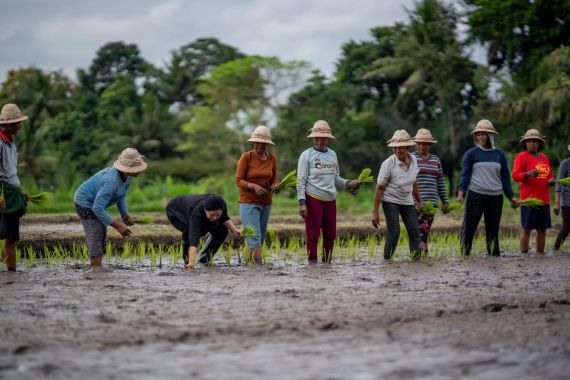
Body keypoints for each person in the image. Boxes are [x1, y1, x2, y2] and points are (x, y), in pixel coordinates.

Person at [297, 120, 359, 263]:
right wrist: (302, 202)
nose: (320, 140)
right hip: (313, 199)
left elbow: (335, 178)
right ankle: (312, 263)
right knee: (313, 235)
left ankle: (327, 263)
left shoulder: (332, 155)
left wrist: (348, 183)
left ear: (328, 139)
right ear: (313, 138)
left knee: (330, 235)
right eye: (317, 138)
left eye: (323, 138)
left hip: (330, 200)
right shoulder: (306, 155)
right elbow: (300, 181)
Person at [74, 148, 147, 268]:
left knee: (102, 232)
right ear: (127, 169)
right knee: (96, 233)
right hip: (85, 203)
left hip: (95, 204)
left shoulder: (127, 177)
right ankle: (96, 271)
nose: (140, 170)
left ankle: (97, 267)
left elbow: (121, 195)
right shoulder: (111, 182)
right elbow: (97, 208)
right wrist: (118, 226)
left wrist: (124, 214)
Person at [457, 119, 517, 257]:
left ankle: (494, 256)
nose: (480, 137)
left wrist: (511, 196)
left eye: (483, 134)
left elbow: (505, 178)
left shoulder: (500, 155)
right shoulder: (471, 154)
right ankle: (465, 255)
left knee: (493, 228)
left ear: (490, 135)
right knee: (469, 226)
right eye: (478, 134)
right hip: (475, 194)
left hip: (495, 196)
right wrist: (461, 192)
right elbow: (465, 174)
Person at [372, 130, 423, 260]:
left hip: (407, 200)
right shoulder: (388, 164)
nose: (397, 150)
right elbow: (379, 188)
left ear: (407, 147)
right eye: (395, 147)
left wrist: (419, 201)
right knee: (394, 232)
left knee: (414, 230)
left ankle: (416, 260)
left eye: (400, 147)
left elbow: (414, 182)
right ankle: (387, 260)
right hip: (390, 200)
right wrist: (375, 212)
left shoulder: (414, 160)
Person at [235, 126, 279, 264]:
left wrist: (276, 186)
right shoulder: (246, 157)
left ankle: (247, 263)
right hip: (249, 202)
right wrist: (253, 186)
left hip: (266, 202)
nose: (260, 145)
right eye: (257, 142)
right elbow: (239, 181)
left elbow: (274, 179)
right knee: (254, 236)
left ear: (267, 144)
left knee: (258, 238)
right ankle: (259, 266)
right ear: (253, 142)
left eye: (263, 143)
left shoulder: (272, 158)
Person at [166, 194, 242, 268]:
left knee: (222, 231)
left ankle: (204, 259)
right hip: (176, 211)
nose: (215, 217)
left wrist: (235, 230)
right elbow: (194, 240)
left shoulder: (221, 204)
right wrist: (192, 263)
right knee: (189, 232)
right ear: (205, 210)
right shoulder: (197, 214)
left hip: (191, 208)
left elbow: (224, 218)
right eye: (212, 214)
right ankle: (188, 262)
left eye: (218, 215)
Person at [512, 129, 555, 254]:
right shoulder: (521, 157)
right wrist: (527, 174)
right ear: (525, 143)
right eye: (529, 141)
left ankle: (540, 255)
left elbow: (550, 175)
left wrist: (551, 181)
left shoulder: (544, 158)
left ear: (539, 143)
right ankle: (524, 254)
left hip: (544, 199)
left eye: (535, 141)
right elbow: (515, 176)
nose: (532, 143)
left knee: (542, 229)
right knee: (527, 229)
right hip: (529, 200)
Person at [0, 104, 28, 271]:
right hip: (4, 194)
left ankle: (11, 272)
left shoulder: (10, 141)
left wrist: (18, 189)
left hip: (12, 192)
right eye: (17, 123)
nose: (19, 126)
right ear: (8, 124)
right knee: (8, 235)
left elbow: (10, 170)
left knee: (11, 236)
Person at [411, 129, 449, 254]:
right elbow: (407, 180)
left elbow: (440, 182)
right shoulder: (411, 158)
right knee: (421, 230)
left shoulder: (436, 160)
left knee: (425, 231)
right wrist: (414, 200)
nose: (422, 146)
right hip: (416, 202)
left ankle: (420, 258)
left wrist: (445, 201)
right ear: (416, 144)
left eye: (425, 144)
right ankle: (419, 256)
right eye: (419, 143)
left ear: (430, 145)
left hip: (431, 203)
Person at [554, 144, 570, 251]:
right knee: (567, 227)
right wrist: (557, 203)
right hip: (568, 201)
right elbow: (558, 183)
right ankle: (556, 248)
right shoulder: (565, 164)